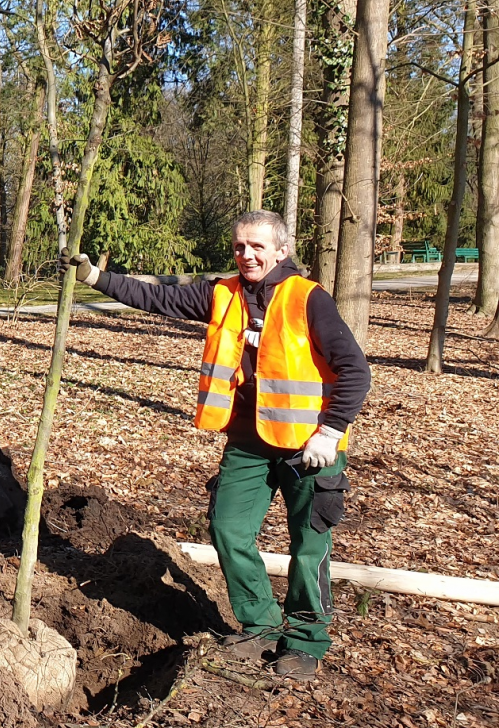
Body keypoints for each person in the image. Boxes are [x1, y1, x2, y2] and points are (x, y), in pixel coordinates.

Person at [65, 209, 370, 680]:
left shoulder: (309, 299)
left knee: (309, 545)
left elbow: (356, 371)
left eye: (257, 247)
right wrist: (95, 277)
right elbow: (156, 297)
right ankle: (261, 627)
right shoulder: (222, 293)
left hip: (309, 448)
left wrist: (330, 433)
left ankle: (307, 640)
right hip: (247, 442)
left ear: (281, 251)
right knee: (228, 530)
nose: (246, 255)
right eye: (239, 247)